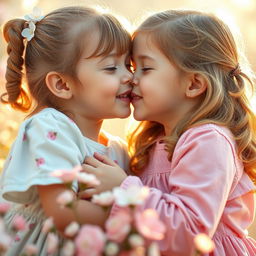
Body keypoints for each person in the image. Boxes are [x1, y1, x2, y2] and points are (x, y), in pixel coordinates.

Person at [81, 10, 256, 255]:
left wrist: (123, 190)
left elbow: (190, 232)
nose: (131, 78)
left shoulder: (208, 140)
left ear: (194, 84)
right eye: (134, 67)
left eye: (146, 68)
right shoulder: (157, 143)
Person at [0, 6, 132, 255]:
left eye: (130, 64)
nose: (129, 77)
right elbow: (64, 214)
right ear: (62, 84)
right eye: (111, 68)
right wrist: (133, 209)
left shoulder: (118, 149)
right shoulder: (49, 127)